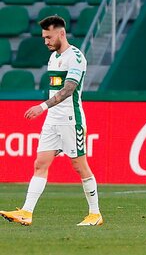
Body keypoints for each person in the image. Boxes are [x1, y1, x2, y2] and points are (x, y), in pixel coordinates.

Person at [0, 16, 103, 226]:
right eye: (44, 37)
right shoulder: (54, 57)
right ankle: (26, 212)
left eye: (48, 36)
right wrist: (47, 111)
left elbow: (69, 89)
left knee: (79, 165)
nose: (45, 41)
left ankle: (95, 214)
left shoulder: (75, 57)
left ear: (61, 33)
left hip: (70, 119)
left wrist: (42, 106)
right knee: (40, 164)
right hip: (52, 120)